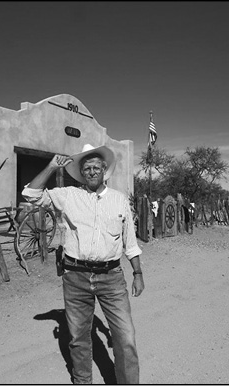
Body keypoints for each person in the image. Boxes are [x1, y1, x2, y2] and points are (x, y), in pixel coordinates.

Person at [22, 144, 145, 384]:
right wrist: (51, 166)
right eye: (86, 168)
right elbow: (30, 195)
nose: (91, 172)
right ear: (81, 172)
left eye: (95, 167)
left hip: (111, 277)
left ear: (104, 170)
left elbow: (130, 242)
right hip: (76, 276)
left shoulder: (119, 201)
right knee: (78, 338)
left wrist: (138, 272)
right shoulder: (68, 196)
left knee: (126, 337)